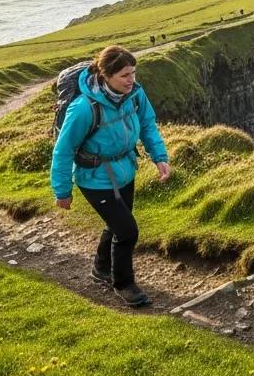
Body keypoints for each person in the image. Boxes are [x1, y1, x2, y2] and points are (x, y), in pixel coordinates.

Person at [50, 45, 170, 307]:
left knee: (116, 224)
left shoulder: (135, 94)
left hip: (125, 169)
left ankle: (101, 268)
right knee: (127, 231)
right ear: (105, 75)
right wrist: (62, 190)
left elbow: (147, 124)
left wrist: (159, 157)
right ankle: (124, 284)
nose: (131, 80)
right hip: (95, 178)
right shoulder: (83, 108)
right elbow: (63, 150)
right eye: (124, 75)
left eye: (133, 73)